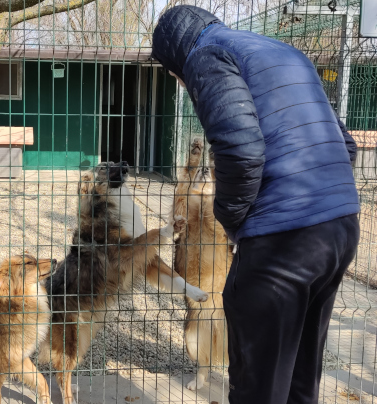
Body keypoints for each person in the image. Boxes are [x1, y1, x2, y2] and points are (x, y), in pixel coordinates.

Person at [152, 5, 360, 404]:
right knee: (299, 378)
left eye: (171, 72)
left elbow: (241, 150)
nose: (178, 80)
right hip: (339, 230)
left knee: (257, 387)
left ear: (175, 54)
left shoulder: (205, 56)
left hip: (285, 242)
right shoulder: (279, 51)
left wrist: (233, 220)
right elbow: (344, 145)